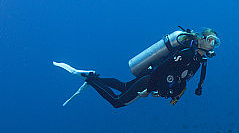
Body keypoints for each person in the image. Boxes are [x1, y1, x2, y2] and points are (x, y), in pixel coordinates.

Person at [54, 28, 219, 108]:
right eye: (211, 40)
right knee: (117, 102)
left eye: (215, 42)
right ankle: (90, 79)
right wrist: (149, 89)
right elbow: (161, 70)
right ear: (201, 39)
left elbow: (182, 78)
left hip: (150, 80)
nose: (213, 44)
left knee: (123, 86)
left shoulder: (198, 60)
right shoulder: (188, 55)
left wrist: (176, 93)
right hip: (149, 81)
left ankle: (94, 77)